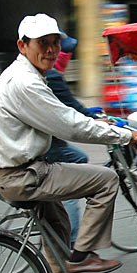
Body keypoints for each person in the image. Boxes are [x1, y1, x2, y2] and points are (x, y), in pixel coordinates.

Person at [0, 13, 137, 273]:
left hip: (19, 169)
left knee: (58, 227)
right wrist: (126, 136)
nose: (50, 49)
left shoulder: (26, 74)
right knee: (106, 180)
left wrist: (95, 121)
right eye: (42, 42)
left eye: (54, 42)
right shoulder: (26, 82)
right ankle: (82, 258)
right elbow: (70, 125)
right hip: (22, 174)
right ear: (22, 46)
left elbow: (67, 115)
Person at [43, 35, 96, 246]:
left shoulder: (41, 74)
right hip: (46, 145)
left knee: (79, 157)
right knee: (78, 175)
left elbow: (67, 106)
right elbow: (72, 108)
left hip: (44, 141)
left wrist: (88, 113)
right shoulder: (51, 75)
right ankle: (72, 241)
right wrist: (96, 120)